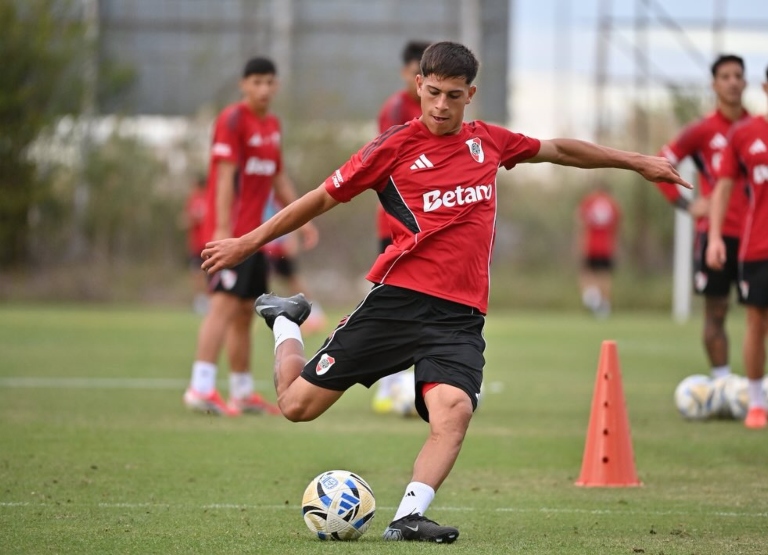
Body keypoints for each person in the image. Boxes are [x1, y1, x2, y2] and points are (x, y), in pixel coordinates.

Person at [201, 41, 690, 542]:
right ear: (418, 85)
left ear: (470, 94)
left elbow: (560, 150)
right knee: (296, 406)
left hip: (460, 317)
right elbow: (320, 198)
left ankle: (407, 516)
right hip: (398, 303)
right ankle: (286, 321)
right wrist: (248, 242)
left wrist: (637, 161)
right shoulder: (391, 147)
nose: (440, 106)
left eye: (453, 96)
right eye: (432, 92)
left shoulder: (491, 142)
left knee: (453, 410)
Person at [183, 57, 318, 417]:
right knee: (223, 305)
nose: (263, 89)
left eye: (269, 82)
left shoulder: (272, 125)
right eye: (256, 82)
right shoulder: (232, 120)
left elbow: (277, 178)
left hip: (256, 238)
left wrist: (303, 218)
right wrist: (223, 230)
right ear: (243, 85)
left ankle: (242, 392)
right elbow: (224, 177)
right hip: (230, 236)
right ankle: (201, 387)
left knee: (245, 311)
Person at [655, 54, 750, 380]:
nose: (733, 82)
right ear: (714, 84)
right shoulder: (702, 130)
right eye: (725, 76)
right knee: (717, 311)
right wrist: (687, 205)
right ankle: (722, 381)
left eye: (738, 75)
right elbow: (660, 163)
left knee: (759, 315)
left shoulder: (755, 129)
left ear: (747, 82)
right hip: (716, 235)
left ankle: (756, 385)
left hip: (756, 236)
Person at [372, 39, 431, 414]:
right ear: (407, 74)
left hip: (429, 228)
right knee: (391, 304)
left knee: (424, 305)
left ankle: (414, 381)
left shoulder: (438, 109)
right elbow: (389, 165)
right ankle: (387, 384)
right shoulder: (395, 109)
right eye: (416, 75)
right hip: (398, 226)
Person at [707, 65, 768, 429]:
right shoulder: (744, 133)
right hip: (758, 246)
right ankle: (757, 403)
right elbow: (723, 188)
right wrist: (714, 237)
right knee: (755, 322)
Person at [262, 194, 328, 334]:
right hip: (266, 245)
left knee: (293, 280)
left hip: (279, 245)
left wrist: (292, 239)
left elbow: (291, 211)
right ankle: (280, 315)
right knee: (263, 279)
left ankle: (314, 314)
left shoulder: (275, 194)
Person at [575, 183, 621, 317]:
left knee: (586, 273)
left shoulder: (588, 201)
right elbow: (617, 227)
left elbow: (580, 222)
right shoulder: (613, 205)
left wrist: (579, 244)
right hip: (607, 246)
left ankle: (592, 297)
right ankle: (604, 307)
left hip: (590, 245)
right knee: (605, 275)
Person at [183, 175, 210, 314]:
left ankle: (203, 302)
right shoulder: (201, 198)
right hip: (201, 244)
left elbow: (190, 219)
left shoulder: (199, 199)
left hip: (203, 244)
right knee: (200, 274)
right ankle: (202, 301)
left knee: (200, 274)